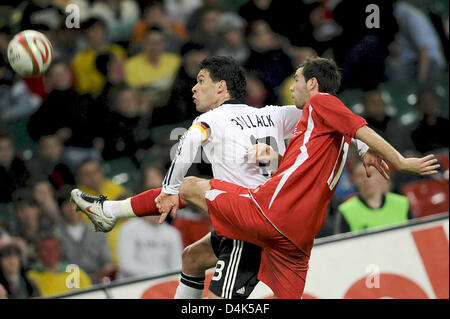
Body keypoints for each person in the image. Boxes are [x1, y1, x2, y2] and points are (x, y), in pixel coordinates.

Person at [71, 56, 382, 299]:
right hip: (255, 211)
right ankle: (108, 211)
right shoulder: (274, 114)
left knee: (185, 189)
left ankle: (108, 211)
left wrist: (168, 187)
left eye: (201, 81)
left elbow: (188, 145)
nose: (194, 88)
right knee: (192, 258)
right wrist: (365, 145)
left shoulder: (210, 119)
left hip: (248, 226)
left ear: (221, 87)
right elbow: (337, 121)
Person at [335, 158, 413, 234]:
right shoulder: (345, 211)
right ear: (353, 179)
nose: (367, 179)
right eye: (360, 175)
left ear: (380, 174)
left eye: (371, 173)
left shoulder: (402, 204)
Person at [117, 215, 183, 278]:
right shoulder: (128, 228)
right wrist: (156, 274)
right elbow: (126, 264)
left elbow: (177, 266)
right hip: (133, 283)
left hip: (164, 283)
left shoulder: (173, 233)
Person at [27, 235, 92, 297]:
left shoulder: (76, 272)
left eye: (54, 248)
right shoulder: (31, 277)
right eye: (45, 249)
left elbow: (91, 295)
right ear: (37, 253)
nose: (51, 253)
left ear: (60, 250)